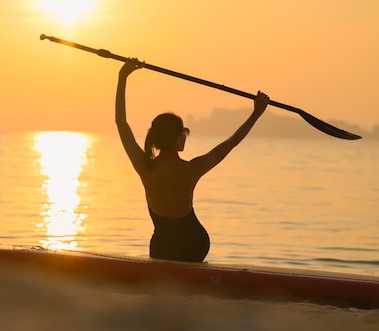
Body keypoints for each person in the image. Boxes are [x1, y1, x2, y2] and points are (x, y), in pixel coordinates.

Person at [115, 58, 270, 262]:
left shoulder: (145, 166)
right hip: (194, 243)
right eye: (183, 135)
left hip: (163, 246)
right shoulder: (192, 168)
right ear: (177, 139)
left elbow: (121, 122)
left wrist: (122, 77)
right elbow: (232, 142)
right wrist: (256, 114)